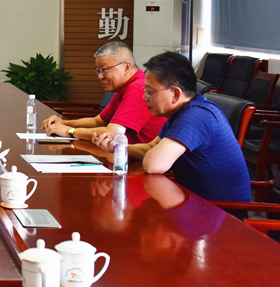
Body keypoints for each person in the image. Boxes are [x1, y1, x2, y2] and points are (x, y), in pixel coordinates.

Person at [92, 51, 251, 203]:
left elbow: (153, 164)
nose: (144, 97)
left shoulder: (196, 116)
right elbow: (151, 147)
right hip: (194, 203)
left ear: (175, 94)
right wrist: (117, 147)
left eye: (150, 91)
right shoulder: (183, 112)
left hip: (220, 213)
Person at [42, 42, 166, 144]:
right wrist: (64, 123)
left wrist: (69, 131)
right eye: (98, 71)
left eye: (104, 70)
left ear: (126, 67)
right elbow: (98, 121)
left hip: (138, 160)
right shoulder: (125, 88)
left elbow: (111, 133)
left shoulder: (138, 88)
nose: (100, 76)